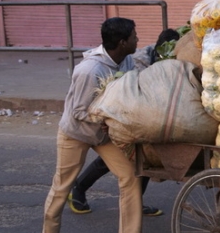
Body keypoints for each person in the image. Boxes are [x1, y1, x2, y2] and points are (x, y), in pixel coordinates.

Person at [36, 17, 159, 233]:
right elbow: (79, 112)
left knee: (131, 176)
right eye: (134, 36)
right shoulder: (90, 70)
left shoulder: (126, 61)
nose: (138, 40)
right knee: (62, 186)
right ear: (122, 42)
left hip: (103, 135)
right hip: (76, 133)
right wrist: (111, 118)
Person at [67, 28, 181, 217]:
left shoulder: (175, 59)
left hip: (151, 114)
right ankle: (79, 187)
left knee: (144, 158)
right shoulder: (139, 61)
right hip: (124, 112)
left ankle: (135, 202)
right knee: (114, 157)